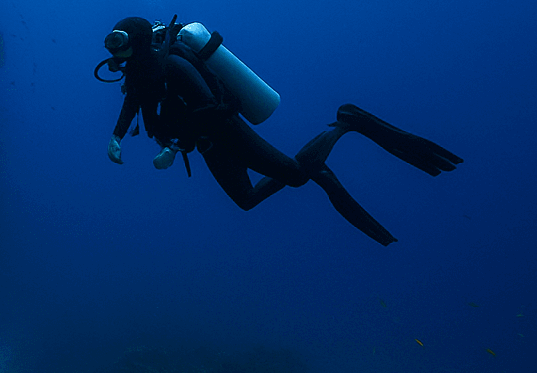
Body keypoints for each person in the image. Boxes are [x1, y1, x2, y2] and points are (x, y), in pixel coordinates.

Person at [97, 16, 462, 245]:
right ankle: (314, 164)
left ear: (139, 41)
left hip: (226, 132)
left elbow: (208, 107)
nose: (113, 50)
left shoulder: (174, 65)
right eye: (112, 41)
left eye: (119, 41)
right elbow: (135, 102)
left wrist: (175, 147)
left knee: (296, 176)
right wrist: (116, 136)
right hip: (208, 146)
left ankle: (348, 122)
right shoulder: (138, 73)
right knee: (246, 200)